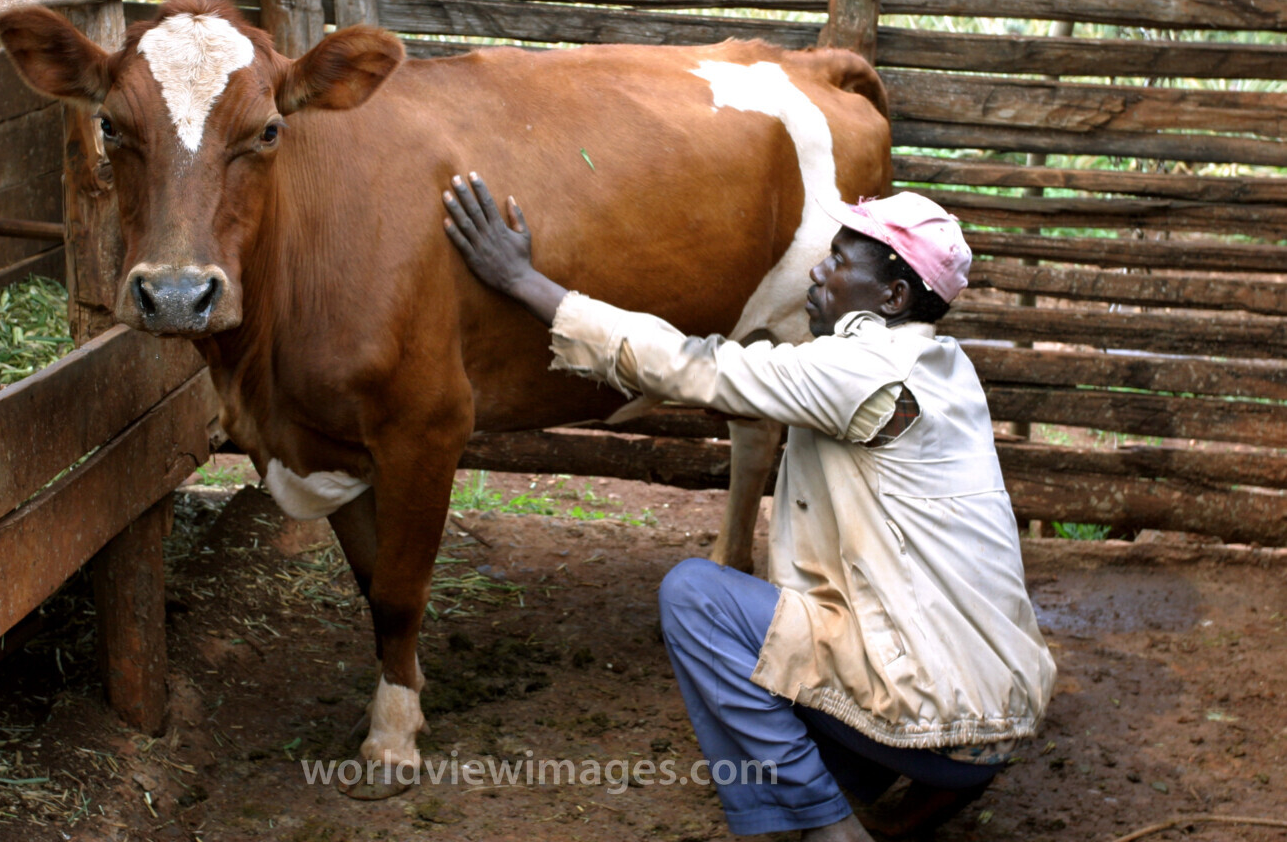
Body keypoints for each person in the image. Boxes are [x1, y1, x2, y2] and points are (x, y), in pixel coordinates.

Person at [441, 174, 1056, 841]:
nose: (817, 271)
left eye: (838, 262)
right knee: (782, 749)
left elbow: (689, 365)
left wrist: (523, 281)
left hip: (933, 714)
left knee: (695, 596)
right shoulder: (945, 368)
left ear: (893, 297)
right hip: (1000, 715)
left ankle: (831, 832)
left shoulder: (859, 369)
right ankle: (877, 801)